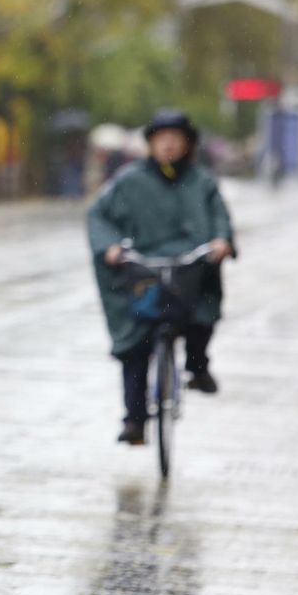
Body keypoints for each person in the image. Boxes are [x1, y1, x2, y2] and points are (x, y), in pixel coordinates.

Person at [87, 109, 236, 446]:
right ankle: (135, 419)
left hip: (190, 267)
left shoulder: (202, 182)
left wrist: (221, 241)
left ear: (188, 144)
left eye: (176, 139)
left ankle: (198, 367)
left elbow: (219, 217)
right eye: (161, 139)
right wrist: (109, 246)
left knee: (203, 312)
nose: (168, 145)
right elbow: (99, 215)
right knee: (136, 340)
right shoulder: (129, 180)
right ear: (151, 143)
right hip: (145, 269)